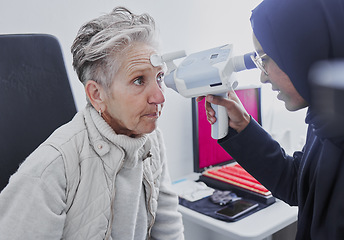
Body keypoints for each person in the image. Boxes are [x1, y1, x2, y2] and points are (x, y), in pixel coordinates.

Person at [0, 7, 184, 240]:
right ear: (97, 94)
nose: (160, 96)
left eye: (159, 77)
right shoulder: (51, 168)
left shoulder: (152, 140)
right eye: (139, 80)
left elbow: (168, 226)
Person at [199, 0, 344, 239]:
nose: (263, 77)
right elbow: (302, 186)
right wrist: (243, 126)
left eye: (264, 59)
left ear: (300, 53)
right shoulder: (327, 121)